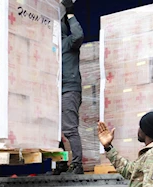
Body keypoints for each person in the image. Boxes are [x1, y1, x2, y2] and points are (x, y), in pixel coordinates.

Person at [54, 0, 84, 175]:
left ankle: (77, 165)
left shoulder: (69, 42)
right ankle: (61, 163)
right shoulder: (52, 48)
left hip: (69, 90)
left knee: (69, 128)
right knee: (54, 131)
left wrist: (70, 13)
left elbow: (79, 35)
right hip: (54, 91)